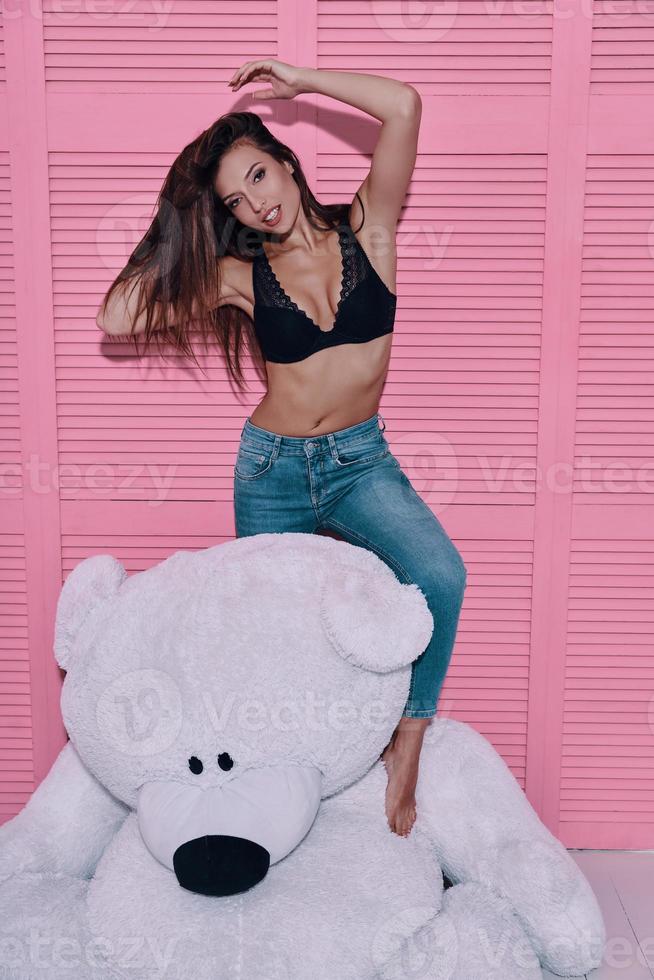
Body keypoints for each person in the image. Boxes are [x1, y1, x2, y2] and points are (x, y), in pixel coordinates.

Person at [96, 60, 467, 837]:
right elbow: (118, 317)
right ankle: (276, 797)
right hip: (273, 472)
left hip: (361, 462)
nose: (257, 201)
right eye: (237, 197)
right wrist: (183, 214)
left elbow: (403, 103)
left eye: (261, 174)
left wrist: (303, 81)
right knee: (271, 642)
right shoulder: (239, 274)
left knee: (438, 573)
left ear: (290, 164)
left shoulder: (372, 228)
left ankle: (407, 739)